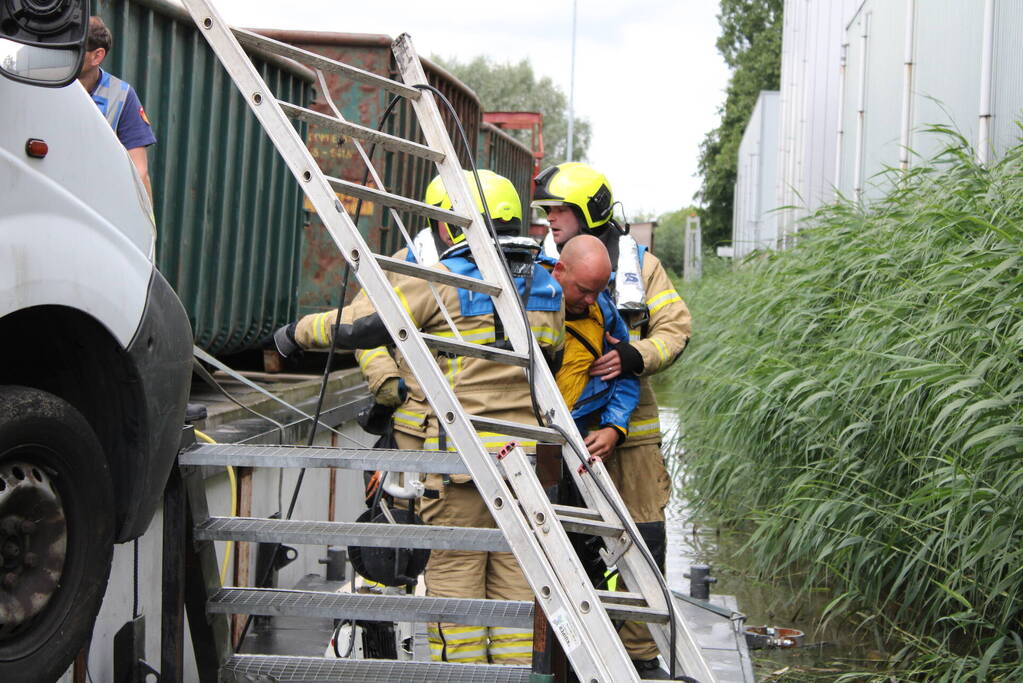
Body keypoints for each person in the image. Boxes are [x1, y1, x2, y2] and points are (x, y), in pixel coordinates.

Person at [272, 170, 562, 666]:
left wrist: (294, 334)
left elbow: (363, 325)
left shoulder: (438, 281)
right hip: (526, 468)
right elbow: (550, 365)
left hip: (460, 471)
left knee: (455, 595)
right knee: (517, 598)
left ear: (450, 225)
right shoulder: (546, 289)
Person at [533, 161, 692, 677]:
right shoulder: (542, 265)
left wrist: (635, 356)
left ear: (588, 212)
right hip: (565, 437)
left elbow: (677, 331)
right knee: (568, 546)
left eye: (560, 210)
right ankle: (572, 655)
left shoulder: (640, 267)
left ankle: (642, 661)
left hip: (633, 440)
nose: (551, 220)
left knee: (642, 544)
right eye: (547, 210)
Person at [77, 16, 155, 200]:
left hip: (97, 204)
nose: (65, 52)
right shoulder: (43, 81)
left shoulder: (122, 95)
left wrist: (144, 226)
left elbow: (139, 171)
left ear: (97, 55)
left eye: (75, 48)